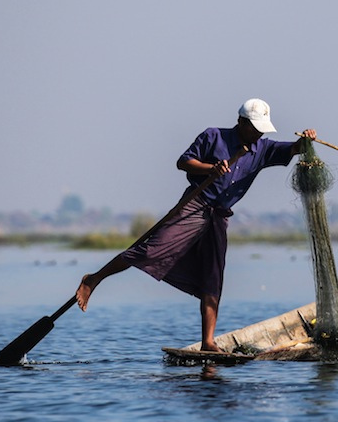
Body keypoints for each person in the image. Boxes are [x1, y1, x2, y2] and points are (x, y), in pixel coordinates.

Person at [75, 98, 316, 352]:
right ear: (241, 122)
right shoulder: (214, 137)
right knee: (149, 251)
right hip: (195, 204)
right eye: (254, 127)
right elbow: (184, 162)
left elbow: (293, 148)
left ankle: (208, 342)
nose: (258, 133)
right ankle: (93, 280)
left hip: (219, 216)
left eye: (261, 129)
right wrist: (211, 168)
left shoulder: (262, 149)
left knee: (213, 278)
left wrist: (307, 140)